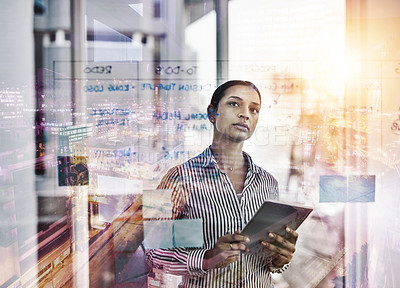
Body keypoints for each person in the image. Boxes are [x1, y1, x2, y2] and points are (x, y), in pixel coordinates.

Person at [145, 80, 298, 287]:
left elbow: (269, 261)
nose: (245, 114)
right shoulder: (177, 178)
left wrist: (281, 258)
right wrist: (206, 258)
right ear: (212, 113)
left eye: (254, 110)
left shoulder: (268, 183)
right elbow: (151, 251)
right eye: (234, 104)